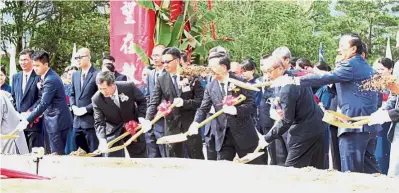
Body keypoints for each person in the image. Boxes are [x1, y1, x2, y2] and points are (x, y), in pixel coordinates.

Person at [272, 34, 380, 173]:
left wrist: (295, 81)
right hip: (368, 124)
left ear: (353, 49)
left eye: (342, 46)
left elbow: (327, 77)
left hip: (353, 124)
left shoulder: (350, 64)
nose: (338, 50)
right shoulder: (363, 65)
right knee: (369, 167)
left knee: (352, 171)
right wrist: (310, 73)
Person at [188, 55, 265, 164]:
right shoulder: (210, 86)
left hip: (243, 134)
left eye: (213, 67)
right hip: (223, 136)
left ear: (224, 67)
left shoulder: (240, 82)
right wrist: (195, 122)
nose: (210, 70)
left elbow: (251, 105)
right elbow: (203, 108)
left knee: (253, 167)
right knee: (223, 170)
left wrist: (236, 110)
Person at [258, 56, 327, 169]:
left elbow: (286, 121)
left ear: (280, 69)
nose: (267, 76)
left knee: (292, 168)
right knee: (316, 168)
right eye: (264, 73)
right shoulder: (294, 75)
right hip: (318, 125)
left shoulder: (287, 88)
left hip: (304, 131)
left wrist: (267, 138)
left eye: (269, 72)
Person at [144, 47, 205, 159]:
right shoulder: (161, 79)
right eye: (163, 62)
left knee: (195, 155)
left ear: (177, 61)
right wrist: (148, 119)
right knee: (173, 158)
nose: (165, 65)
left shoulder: (190, 76)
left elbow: (201, 100)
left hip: (190, 123)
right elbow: (154, 102)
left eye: (168, 62)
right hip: (172, 125)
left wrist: (184, 103)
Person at [18, 51, 73, 155]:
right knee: (49, 153)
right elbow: (40, 99)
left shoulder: (51, 79)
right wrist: (30, 112)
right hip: (50, 121)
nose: (35, 68)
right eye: (34, 65)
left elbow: (44, 103)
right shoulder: (43, 76)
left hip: (57, 121)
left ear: (46, 64)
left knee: (56, 155)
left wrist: (27, 120)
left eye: (37, 65)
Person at [92, 71, 147, 158]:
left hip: (133, 126)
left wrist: (142, 118)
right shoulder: (97, 99)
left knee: (140, 157)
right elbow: (99, 122)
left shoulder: (128, 87)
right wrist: (102, 139)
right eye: (100, 89)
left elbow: (142, 101)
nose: (103, 92)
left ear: (113, 84)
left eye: (105, 88)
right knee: (113, 160)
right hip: (113, 130)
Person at [11, 49, 43, 152]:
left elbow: (41, 98)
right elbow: (14, 97)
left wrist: (29, 112)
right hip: (19, 122)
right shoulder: (16, 77)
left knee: (33, 153)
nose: (22, 62)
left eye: (25, 59)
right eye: (20, 60)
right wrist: (16, 113)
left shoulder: (38, 76)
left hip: (34, 122)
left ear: (32, 60)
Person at [69, 48, 100, 154]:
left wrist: (86, 109)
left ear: (89, 57)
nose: (78, 60)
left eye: (80, 57)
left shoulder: (97, 74)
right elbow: (72, 93)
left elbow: (100, 97)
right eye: (76, 58)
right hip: (77, 122)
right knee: (76, 152)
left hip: (91, 122)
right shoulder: (75, 75)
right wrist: (73, 106)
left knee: (94, 152)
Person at [144, 44, 167, 158]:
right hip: (151, 117)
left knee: (164, 149)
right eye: (153, 55)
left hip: (164, 117)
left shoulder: (168, 73)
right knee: (151, 149)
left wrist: (162, 109)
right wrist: (149, 113)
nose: (154, 57)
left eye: (157, 55)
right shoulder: (150, 74)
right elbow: (148, 95)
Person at [373, 57, 394, 175]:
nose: (379, 71)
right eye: (377, 69)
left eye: (382, 69)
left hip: (390, 122)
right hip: (377, 121)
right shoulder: (375, 83)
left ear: (390, 69)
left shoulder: (393, 84)